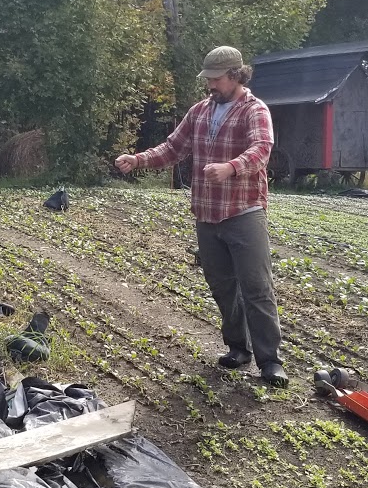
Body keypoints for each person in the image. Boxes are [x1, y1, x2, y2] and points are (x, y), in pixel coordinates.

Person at [115, 45, 287, 387]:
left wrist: (231, 167)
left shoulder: (255, 110)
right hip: (207, 215)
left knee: (256, 287)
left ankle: (270, 362)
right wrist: (139, 159)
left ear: (236, 75)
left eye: (216, 78)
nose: (210, 84)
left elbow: (262, 150)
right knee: (222, 286)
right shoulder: (200, 112)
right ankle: (238, 348)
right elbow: (172, 148)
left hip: (243, 212)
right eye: (208, 78)